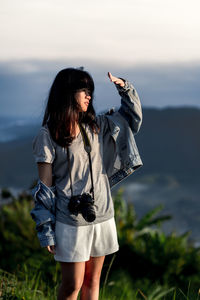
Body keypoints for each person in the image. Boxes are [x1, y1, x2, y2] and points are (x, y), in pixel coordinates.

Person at [30, 67, 143, 300]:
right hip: (69, 220)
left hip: (101, 213)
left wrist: (124, 87)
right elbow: (44, 189)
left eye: (90, 91)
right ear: (68, 93)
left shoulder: (97, 125)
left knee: (92, 282)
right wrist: (45, 229)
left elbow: (132, 120)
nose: (89, 96)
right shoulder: (48, 135)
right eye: (84, 90)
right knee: (73, 285)